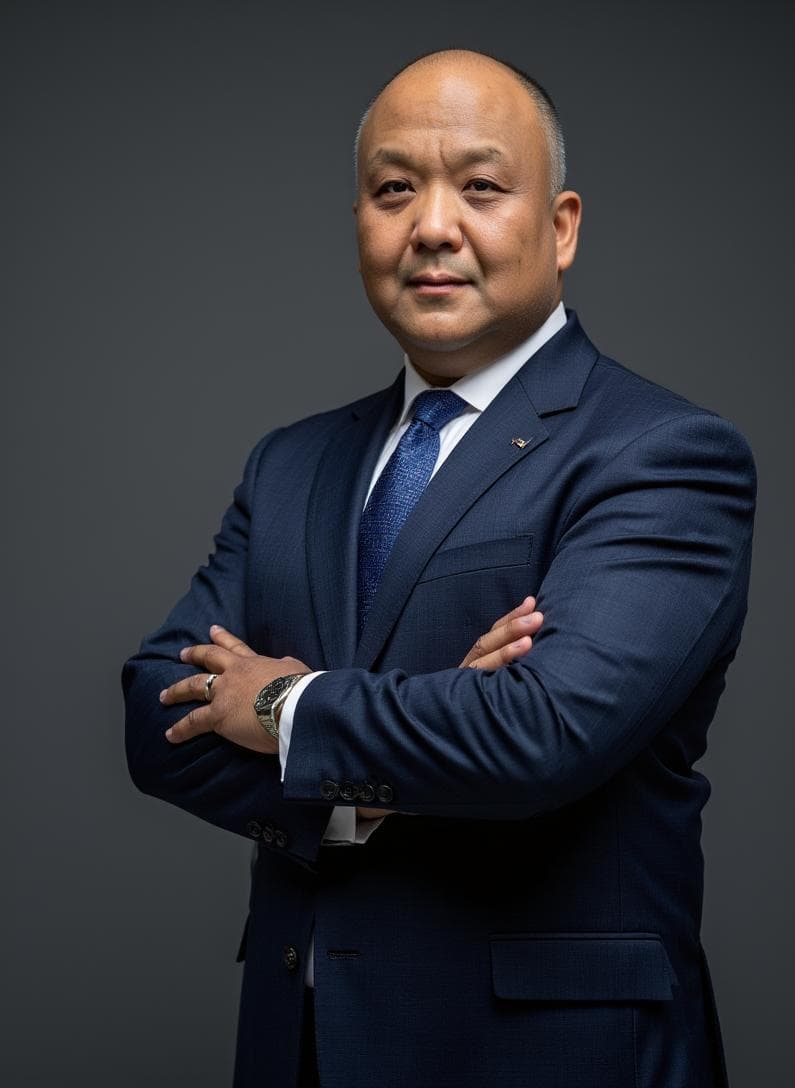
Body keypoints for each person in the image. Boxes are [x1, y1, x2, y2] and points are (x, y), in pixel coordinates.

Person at [123, 48, 756, 1088]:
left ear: (559, 226)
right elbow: (158, 713)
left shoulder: (660, 452)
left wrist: (283, 704)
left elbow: (541, 733)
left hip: (545, 1055)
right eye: (391, 190)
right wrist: (372, 785)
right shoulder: (291, 462)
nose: (429, 225)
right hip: (302, 1047)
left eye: (478, 185)